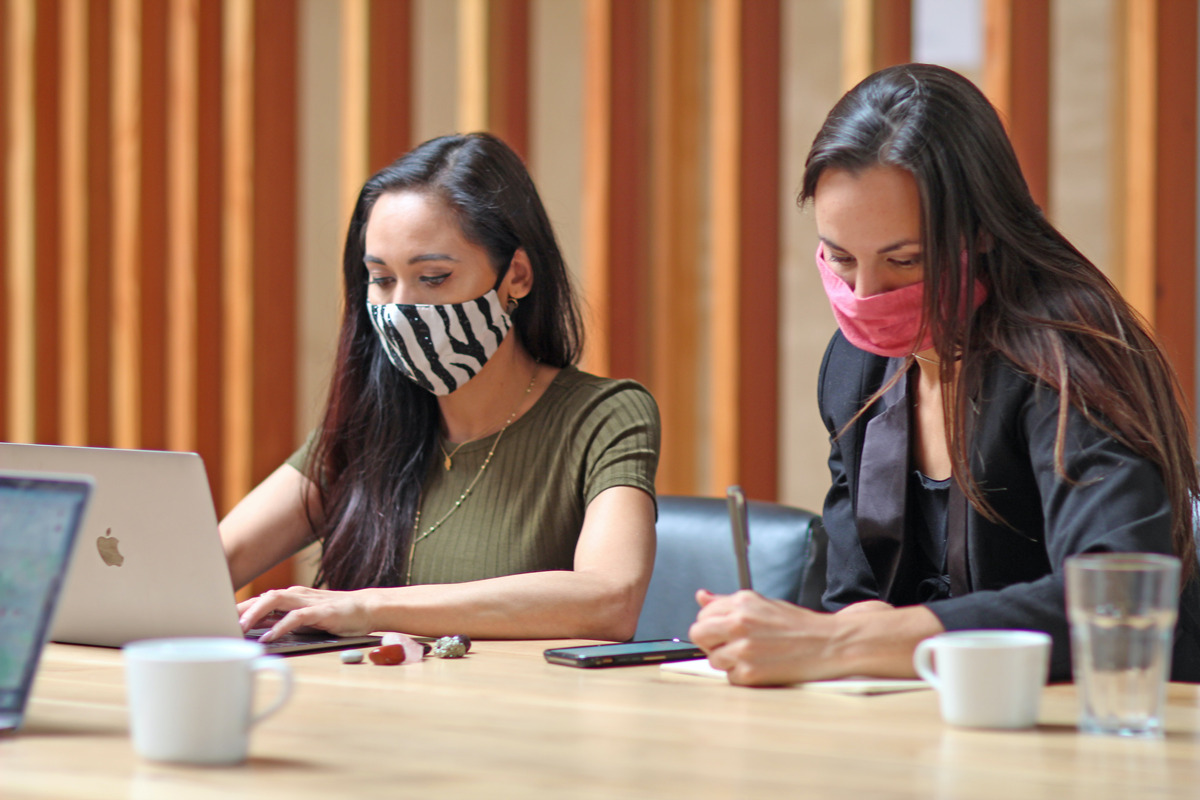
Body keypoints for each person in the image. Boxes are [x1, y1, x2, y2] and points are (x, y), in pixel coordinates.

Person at [689, 63, 1200, 685]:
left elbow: (1116, 597)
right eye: (841, 259)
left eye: (904, 261)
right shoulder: (855, 366)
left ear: (982, 230)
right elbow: (851, 598)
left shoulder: (1070, 357)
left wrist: (843, 640)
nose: (866, 295)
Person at [222, 133, 660, 643]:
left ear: (515, 276)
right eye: (382, 280)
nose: (402, 307)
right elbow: (218, 560)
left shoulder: (604, 416)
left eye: (432, 278)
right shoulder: (371, 426)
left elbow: (610, 599)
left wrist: (365, 607)